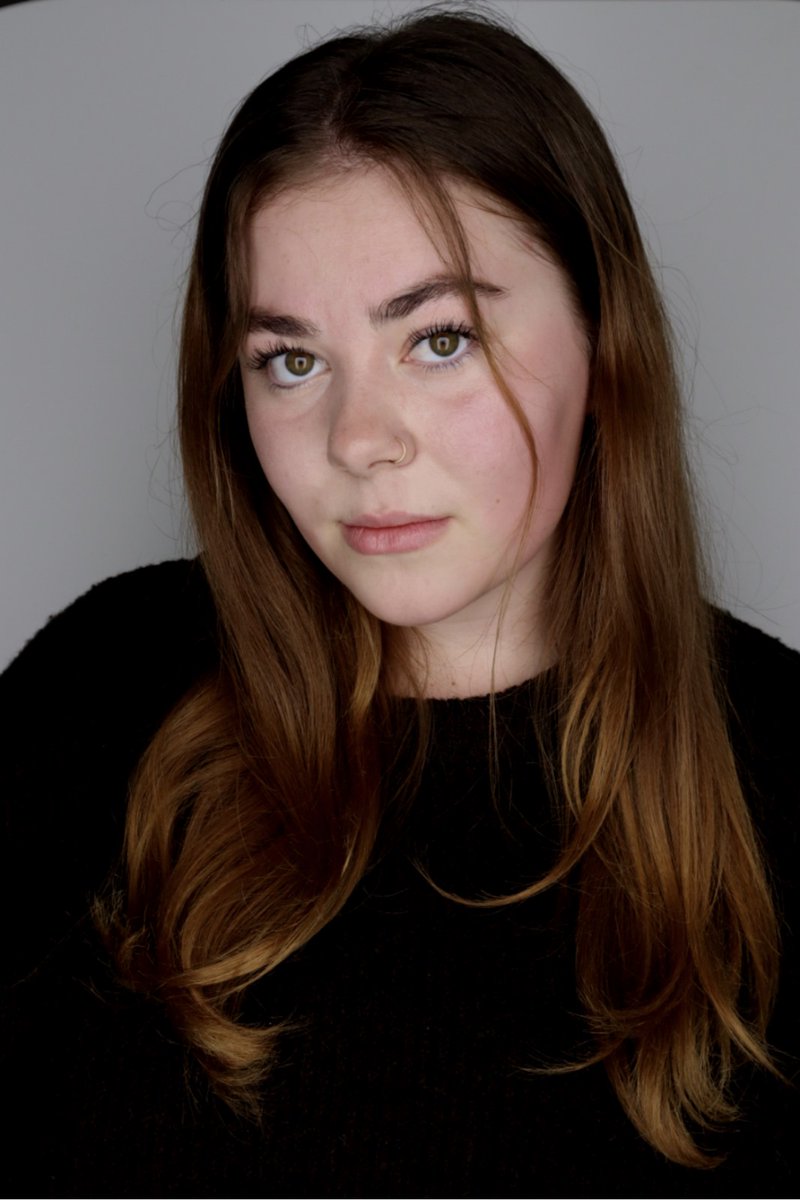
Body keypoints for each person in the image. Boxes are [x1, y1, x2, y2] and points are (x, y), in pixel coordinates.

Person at [2, 7, 798, 1197]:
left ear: (601, 343)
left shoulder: (780, 763)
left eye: (438, 339)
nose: (357, 440)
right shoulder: (97, 692)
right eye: (291, 360)